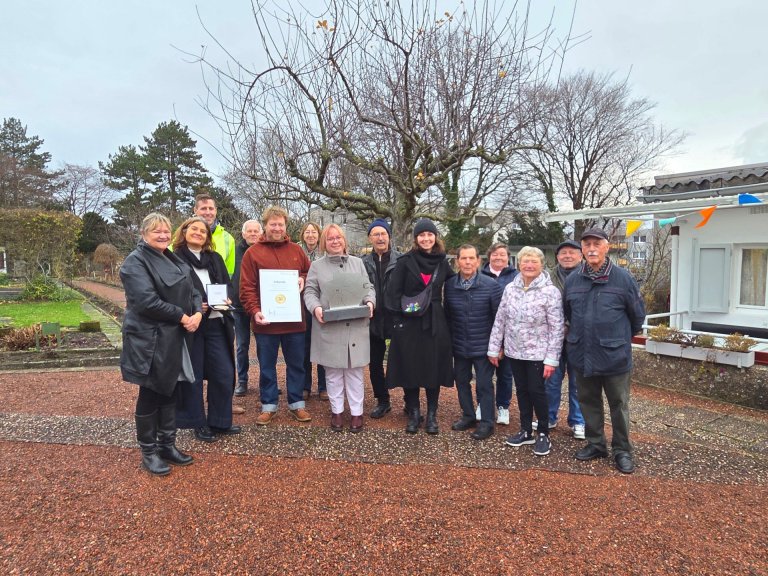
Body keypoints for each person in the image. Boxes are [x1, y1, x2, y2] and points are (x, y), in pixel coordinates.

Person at [120, 213, 200, 476]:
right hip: (150, 339)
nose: (164, 235)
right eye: (157, 231)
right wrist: (183, 316)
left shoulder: (172, 257)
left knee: (171, 389)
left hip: (174, 336)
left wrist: (198, 313)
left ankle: (167, 444)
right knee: (152, 391)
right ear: (144, 234)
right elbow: (146, 301)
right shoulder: (135, 263)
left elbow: (194, 290)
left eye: (166, 231)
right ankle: (149, 450)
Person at [564, 227, 645, 474]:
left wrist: (615, 338)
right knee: (588, 401)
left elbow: (637, 317)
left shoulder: (623, 279)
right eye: (587, 244)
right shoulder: (573, 280)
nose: (591, 249)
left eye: (596, 244)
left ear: (606, 247)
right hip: (582, 353)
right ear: (582, 249)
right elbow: (568, 314)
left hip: (614, 355)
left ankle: (622, 450)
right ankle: (596, 444)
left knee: (618, 404)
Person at [488, 246, 564, 457]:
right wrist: (494, 348)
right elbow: (500, 320)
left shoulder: (550, 292)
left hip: (538, 353)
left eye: (534, 262)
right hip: (514, 351)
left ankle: (543, 432)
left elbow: (557, 328)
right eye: (525, 262)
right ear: (518, 264)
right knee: (521, 390)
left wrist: (551, 359)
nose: (529, 266)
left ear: (541, 265)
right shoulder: (510, 289)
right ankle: (526, 430)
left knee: (537, 391)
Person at [239, 205, 312, 425]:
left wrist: (303, 278)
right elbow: (247, 288)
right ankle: (268, 404)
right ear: (265, 225)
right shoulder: (252, 253)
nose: (277, 228)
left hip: (294, 322)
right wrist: (254, 311)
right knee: (267, 366)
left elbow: (309, 273)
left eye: (281, 224)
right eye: (273, 224)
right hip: (266, 322)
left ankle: (296, 403)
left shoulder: (297, 251)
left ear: (285, 226)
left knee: (297, 364)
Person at [385, 218, 455, 435]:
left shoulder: (443, 263)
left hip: (435, 322)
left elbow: (454, 289)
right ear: (416, 239)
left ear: (435, 237)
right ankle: (414, 413)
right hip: (409, 323)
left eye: (430, 235)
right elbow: (392, 293)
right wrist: (399, 320)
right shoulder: (406, 261)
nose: (426, 238)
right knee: (410, 368)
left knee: (433, 368)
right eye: (422, 235)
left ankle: (432, 414)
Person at [172, 216, 239, 442]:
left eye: (203, 231)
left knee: (224, 373)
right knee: (194, 375)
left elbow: (227, 286)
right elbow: (171, 291)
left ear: (207, 237)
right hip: (191, 325)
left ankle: (220, 421)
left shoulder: (215, 258)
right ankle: (197, 423)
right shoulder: (175, 259)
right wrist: (191, 305)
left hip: (216, 322)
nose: (199, 233)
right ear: (184, 231)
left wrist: (228, 298)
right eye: (194, 229)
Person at [303, 224, 375, 432]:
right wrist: (315, 308)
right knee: (333, 373)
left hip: (355, 325)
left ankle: (356, 413)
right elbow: (310, 291)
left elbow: (368, 287)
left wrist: (370, 302)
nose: (335, 241)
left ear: (344, 240)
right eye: (330, 238)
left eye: (338, 238)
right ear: (324, 242)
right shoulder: (317, 266)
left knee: (355, 373)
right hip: (330, 326)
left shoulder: (357, 263)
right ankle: (336, 412)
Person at [444, 244, 503, 440]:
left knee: (484, 385)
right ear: (457, 261)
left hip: (484, 346)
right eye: (463, 258)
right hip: (459, 344)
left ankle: (487, 422)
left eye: (471, 258)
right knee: (461, 382)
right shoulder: (450, 285)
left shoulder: (491, 285)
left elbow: (499, 318)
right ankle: (468, 415)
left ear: (478, 261)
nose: (467, 262)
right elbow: (448, 316)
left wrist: (499, 346)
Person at [537, 239, 586, 439]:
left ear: (580, 255)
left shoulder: (587, 275)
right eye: (563, 252)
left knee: (578, 383)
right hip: (552, 339)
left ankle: (578, 421)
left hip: (580, 338)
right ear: (557, 256)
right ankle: (549, 417)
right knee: (551, 380)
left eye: (572, 252)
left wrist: (569, 325)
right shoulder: (546, 278)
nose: (567, 256)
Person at [362, 218, 402, 419]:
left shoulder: (401, 260)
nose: (380, 238)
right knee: (375, 363)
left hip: (396, 319)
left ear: (389, 236)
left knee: (404, 361)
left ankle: (410, 401)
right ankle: (382, 400)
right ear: (370, 238)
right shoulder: (362, 263)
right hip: (373, 320)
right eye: (375, 234)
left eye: (383, 234)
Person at [480, 242, 518, 426]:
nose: (498, 258)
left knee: (505, 374)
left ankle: (503, 406)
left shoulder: (516, 277)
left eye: (502, 255)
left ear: (508, 257)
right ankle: (483, 404)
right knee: (483, 374)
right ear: (489, 257)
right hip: (483, 332)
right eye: (495, 254)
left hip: (509, 333)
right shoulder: (479, 275)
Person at [232, 219, 263, 401]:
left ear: (261, 233)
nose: (252, 234)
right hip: (239, 306)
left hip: (262, 306)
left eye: (255, 231)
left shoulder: (265, 250)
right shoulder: (234, 252)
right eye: (249, 231)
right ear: (243, 234)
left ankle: (266, 381)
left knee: (264, 346)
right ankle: (242, 381)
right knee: (242, 345)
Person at [299, 221, 328, 400]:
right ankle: (305, 386)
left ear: (319, 235)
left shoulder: (325, 253)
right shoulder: (296, 252)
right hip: (302, 304)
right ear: (303, 235)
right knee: (304, 346)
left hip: (323, 303)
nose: (310, 235)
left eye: (314, 232)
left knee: (323, 345)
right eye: (307, 232)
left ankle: (323, 387)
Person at [194, 193, 236, 276]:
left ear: (216, 210)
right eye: (203, 208)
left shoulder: (228, 238)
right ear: (195, 210)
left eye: (211, 208)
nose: (208, 212)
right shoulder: (183, 234)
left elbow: (229, 273)